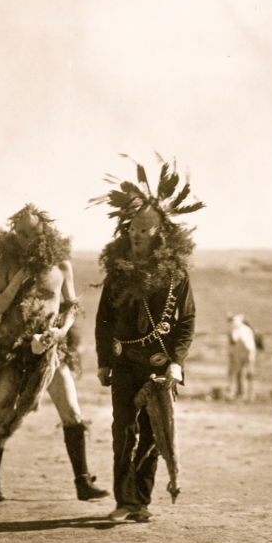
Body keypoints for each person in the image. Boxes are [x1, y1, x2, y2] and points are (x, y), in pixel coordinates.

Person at [0, 204, 108, 503]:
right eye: (21, 233)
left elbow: (70, 306)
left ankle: (83, 482)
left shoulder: (61, 265)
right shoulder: (7, 263)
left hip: (52, 350)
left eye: (32, 233)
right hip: (13, 351)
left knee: (72, 413)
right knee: (3, 415)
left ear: (44, 232)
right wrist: (17, 280)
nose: (26, 239)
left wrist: (61, 331)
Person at [92, 157, 202, 523]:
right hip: (124, 364)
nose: (137, 234)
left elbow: (187, 320)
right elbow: (103, 319)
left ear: (159, 232)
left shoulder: (175, 274)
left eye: (144, 228)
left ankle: (140, 502)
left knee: (154, 433)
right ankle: (124, 501)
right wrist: (104, 361)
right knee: (123, 431)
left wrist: (177, 362)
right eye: (132, 227)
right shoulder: (117, 272)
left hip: (159, 366)